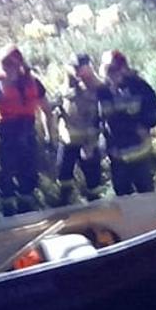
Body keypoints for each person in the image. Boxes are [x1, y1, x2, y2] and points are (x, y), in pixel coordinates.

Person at [0, 45, 53, 203]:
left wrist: (49, 135)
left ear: (16, 67)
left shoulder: (33, 84)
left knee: (27, 172)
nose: (3, 76)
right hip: (7, 136)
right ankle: (8, 205)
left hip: (26, 135)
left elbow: (47, 110)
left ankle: (26, 204)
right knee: (5, 172)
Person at [98, 50, 156, 196]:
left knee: (146, 195)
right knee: (123, 199)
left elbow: (155, 109)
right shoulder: (103, 91)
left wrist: (144, 126)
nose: (111, 75)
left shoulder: (138, 86)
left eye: (113, 70)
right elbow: (99, 121)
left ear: (123, 68)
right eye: (108, 71)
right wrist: (105, 146)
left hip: (139, 152)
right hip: (117, 156)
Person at [53, 52, 105, 201]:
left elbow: (101, 117)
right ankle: (66, 203)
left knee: (93, 182)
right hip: (67, 140)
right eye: (74, 67)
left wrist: (92, 143)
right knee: (64, 176)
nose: (77, 71)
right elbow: (59, 105)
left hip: (88, 142)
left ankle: (95, 208)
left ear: (88, 67)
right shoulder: (66, 85)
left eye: (80, 68)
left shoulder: (98, 88)